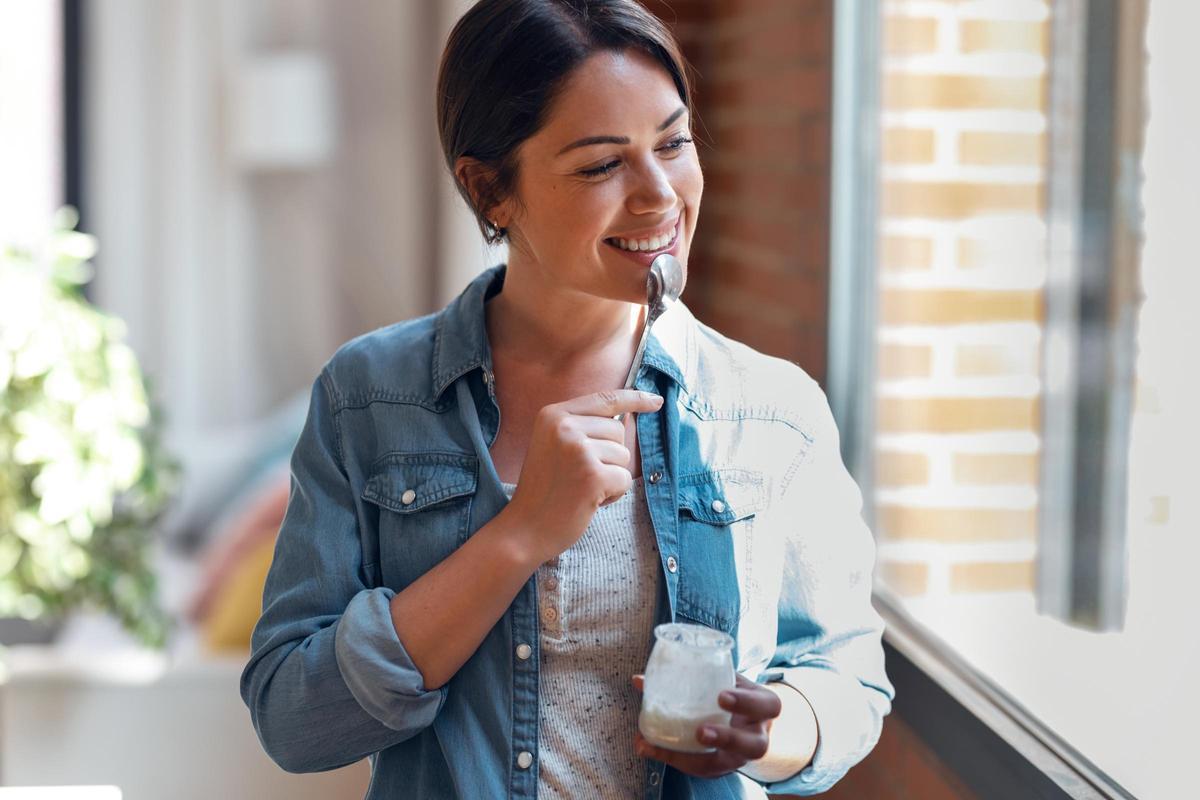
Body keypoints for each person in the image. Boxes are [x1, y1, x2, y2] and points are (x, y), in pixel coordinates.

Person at [240, 1, 894, 797]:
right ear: (491, 191)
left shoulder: (771, 411)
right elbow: (293, 719)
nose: (660, 195)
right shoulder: (369, 397)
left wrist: (770, 731)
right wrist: (520, 535)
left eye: (674, 142)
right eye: (599, 165)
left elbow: (848, 683)